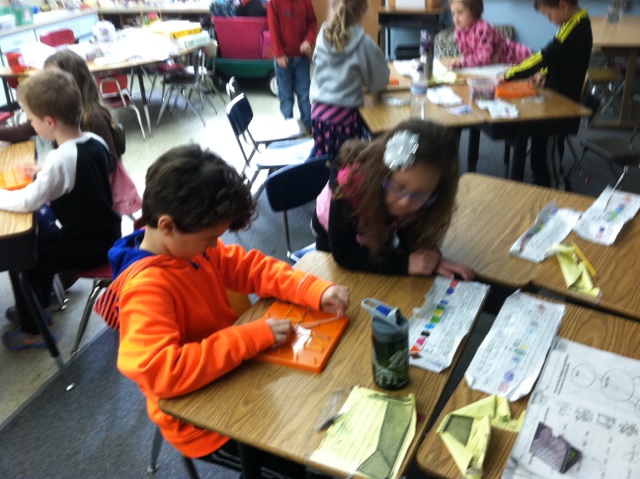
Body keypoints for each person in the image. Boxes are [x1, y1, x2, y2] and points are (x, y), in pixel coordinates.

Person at [93, 144, 350, 477]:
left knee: (311, 412)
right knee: (295, 462)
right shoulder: (146, 289)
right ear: (167, 227)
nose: (215, 246)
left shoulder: (188, 246)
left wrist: (314, 289)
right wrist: (250, 337)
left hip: (236, 372)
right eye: (210, 238)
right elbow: (162, 372)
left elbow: (251, 268)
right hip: (204, 422)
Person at [0, 69, 121, 350]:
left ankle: (33, 330)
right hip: (105, 233)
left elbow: (28, 201)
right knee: (34, 243)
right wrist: (43, 169)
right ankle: (37, 307)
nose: (31, 124)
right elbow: (79, 169)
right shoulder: (94, 141)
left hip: (87, 244)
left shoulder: (60, 159)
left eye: (31, 120)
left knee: (23, 259)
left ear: (49, 122)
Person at [312, 119, 474, 280]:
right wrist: (405, 263)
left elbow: (410, 232)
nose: (405, 203)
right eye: (399, 187)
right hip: (332, 231)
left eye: (419, 195)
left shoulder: (423, 192)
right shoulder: (351, 185)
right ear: (383, 172)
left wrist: (429, 260)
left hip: (375, 227)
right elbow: (344, 253)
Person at [0, 50, 142, 217]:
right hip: (98, 217)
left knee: (37, 224)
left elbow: (28, 201)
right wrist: (52, 171)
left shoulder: (93, 119)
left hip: (87, 219)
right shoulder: (91, 139)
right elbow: (78, 162)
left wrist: (57, 172)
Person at [503, 0, 591, 188]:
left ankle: (557, 189)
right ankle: (542, 185)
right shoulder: (571, 23)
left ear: (563, 5)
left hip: (560, 108)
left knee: (547, 156)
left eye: (549, 15)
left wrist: (509, 74)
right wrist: (543, 73)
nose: (550, 20)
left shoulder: (576, 27)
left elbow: (545, 55)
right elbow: (559, 57)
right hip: (553, 100)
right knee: (539, 151)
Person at [309, 0, 389, 161]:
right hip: (344, 119)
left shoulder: (322, 36)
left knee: (324, 157)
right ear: (363, 10)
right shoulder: (364, 43)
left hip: (318, 113)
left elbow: (317, 64)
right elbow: (380, 81)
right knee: (346, 163)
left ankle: (316, 173)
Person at [267, 0, 317, 132]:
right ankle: (289, 128)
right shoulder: (274, 3)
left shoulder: (305, 1)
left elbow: (312, 23)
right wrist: (279, 54)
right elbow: (273, 29)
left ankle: (308, 128)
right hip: (283, 60)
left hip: (302, 59)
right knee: (286, 97)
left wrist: (308, 40)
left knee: (304, 96)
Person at [447, 0, 532, 68]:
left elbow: (484, 58)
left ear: (474, 10)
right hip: (498, 66)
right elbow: (469, 56)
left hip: (520, 57)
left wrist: (461, 63)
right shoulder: (458, 32)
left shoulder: (483, 28)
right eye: (453, 13)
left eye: (460, 12)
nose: (455, 19)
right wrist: (460, 62)